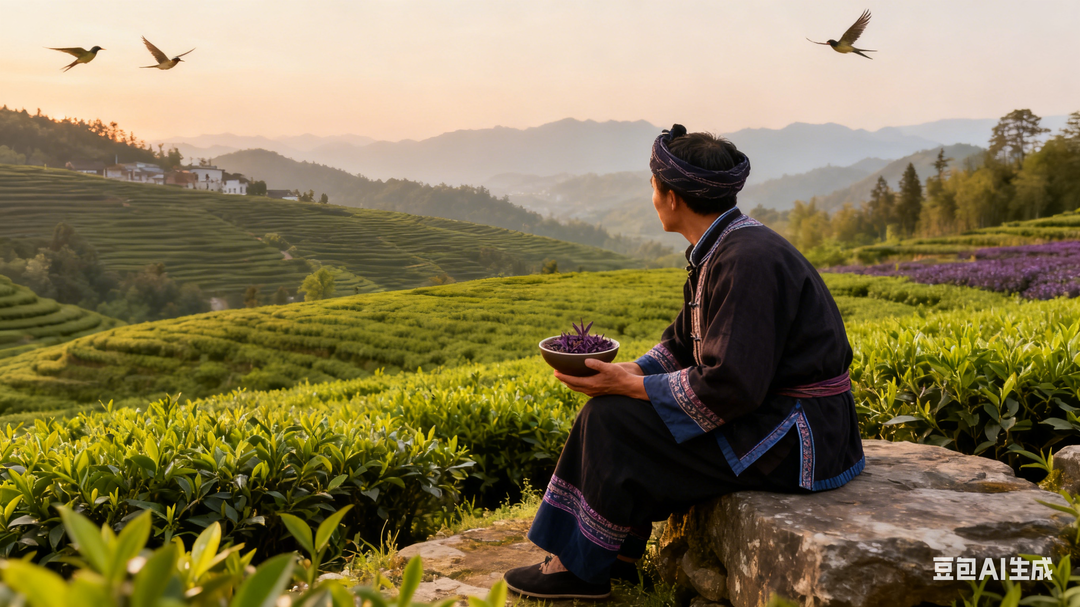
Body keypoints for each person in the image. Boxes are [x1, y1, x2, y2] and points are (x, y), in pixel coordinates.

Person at [503, 124, 865, 600]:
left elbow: (732, 384)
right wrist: (631, 371)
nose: (651, 195)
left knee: (612, 421)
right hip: (777, 415)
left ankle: (581, 568)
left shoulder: (745, 261)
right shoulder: (722, 248)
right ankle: (616, 555)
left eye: (652, 185)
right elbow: (680, 343)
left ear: (671, 197)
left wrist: (630, 389)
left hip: (796, 436)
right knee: (614, 413)